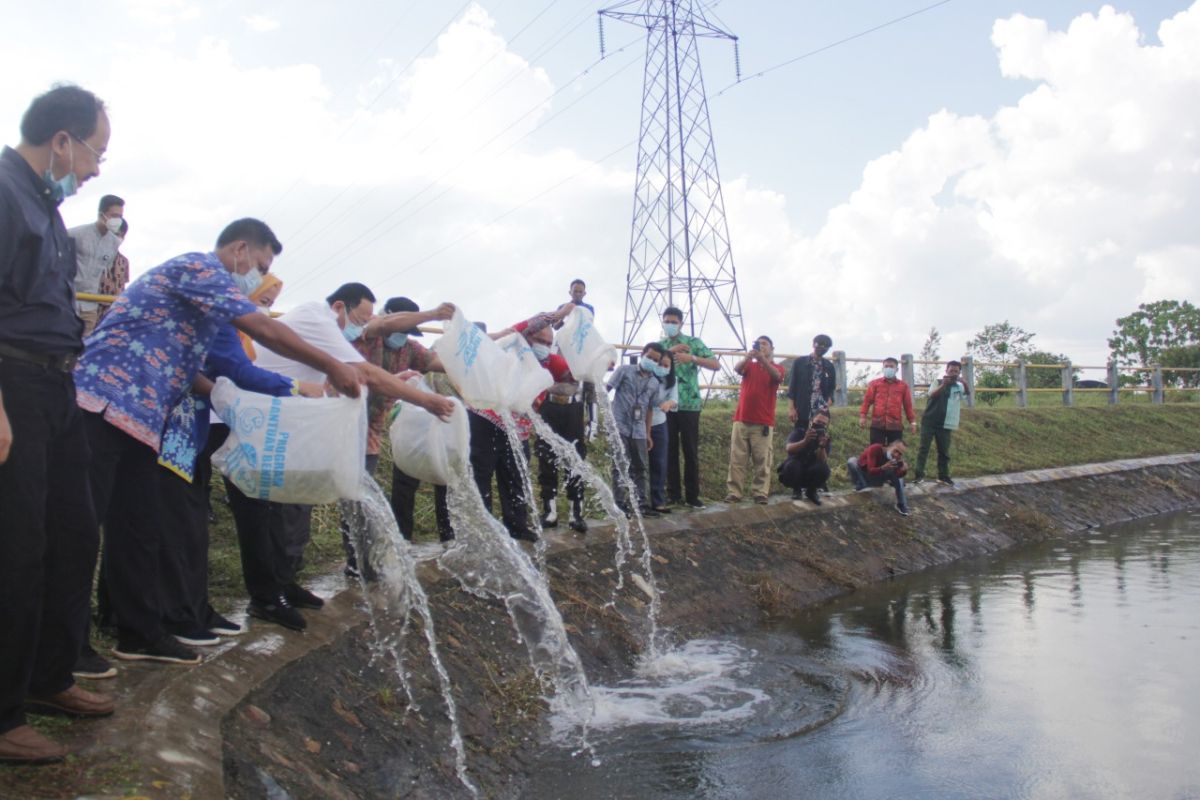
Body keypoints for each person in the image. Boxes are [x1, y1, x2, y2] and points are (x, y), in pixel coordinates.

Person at [74, 219, 363, 664]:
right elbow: (265, 332)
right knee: (78, 529)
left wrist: (230, 400)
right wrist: (333, 367)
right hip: (103, 401)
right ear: (241, 250)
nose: (260, 279)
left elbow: (198, 372)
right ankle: (62, 652)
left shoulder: (202, 313)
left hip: (144, 418)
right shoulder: (199, 268)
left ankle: (140, 633)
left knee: (138, 528)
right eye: (261, 266)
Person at [0, 84, 115, 765]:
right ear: (63, 141)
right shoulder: (4, 190)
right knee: (16, 547)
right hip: (11, 380)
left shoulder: (46, 207)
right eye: (97, 151)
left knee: (74, 532)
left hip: (55, 382)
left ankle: (48, 677)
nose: (98, 168)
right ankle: (3, 711)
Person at [241, 282, 454, 628]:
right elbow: (364, 373)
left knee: (294, 509)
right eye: (361, 318)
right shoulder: (317, 317)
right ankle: (267, 597)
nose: (363, 326)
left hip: (292, 427)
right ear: (339, 306)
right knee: (279, 513)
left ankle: (285, 583)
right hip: (268, 426)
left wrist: (391, 380)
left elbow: (340, 381)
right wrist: (428, 401)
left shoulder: (332, 331)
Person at [352, 296, 455, 576]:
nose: (403, 336)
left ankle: (360, 563)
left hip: (372, 432)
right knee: (351, 495)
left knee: (362, 498)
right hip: (343, 424)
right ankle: (360, 560)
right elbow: (384, 324)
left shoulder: (409, 350)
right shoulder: (366, 336)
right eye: (403, 327)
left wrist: (477, 370)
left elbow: (435, 361)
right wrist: (432, 313)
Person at [660, 307, 719, 509]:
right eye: (666, 321)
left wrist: (692, 358)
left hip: (690, 404)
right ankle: (673, 493)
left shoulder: (693, 343)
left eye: (673, 321)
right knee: (669, 450)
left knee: (690, 450)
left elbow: (715, 364)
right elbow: (649, 364)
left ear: (680, 323)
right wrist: (669, 353)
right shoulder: (660, 345)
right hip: (667, 405)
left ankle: (692, 496)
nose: (669, 324)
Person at [606, 343, 668, 517]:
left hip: (639, 429)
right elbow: (607, 390)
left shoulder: (655, 382)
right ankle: (619, 504)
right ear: (643, 354)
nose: (652, 361)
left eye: (656, 360)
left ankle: (641, 504)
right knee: (619, 465)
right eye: (650, 357)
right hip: (620, 425)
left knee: (641, 467)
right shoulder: (624, 370)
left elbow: (649, 408)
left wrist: (648, 433)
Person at [725, 335, 784, 505]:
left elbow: (776, 376)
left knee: (762, 459)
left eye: (765, 344)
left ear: (772, 349)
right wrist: (749, 357)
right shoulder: (749, 365)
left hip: (763, 422)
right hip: (741, 419)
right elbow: (737, 369)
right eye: (760, 344)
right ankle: (734, 492)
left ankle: (760, 492)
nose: (762, 346)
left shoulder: (777, 367)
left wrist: (763, 359)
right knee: (737, 458)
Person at [68, 194, 124, 335]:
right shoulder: (75, 234)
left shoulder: (114, 243)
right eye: (114, 215)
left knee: (83, 349)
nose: (117, 220)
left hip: (90, 305)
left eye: (120, 216)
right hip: (68, 300)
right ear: (102, 214)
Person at [913, 360, 969, 486]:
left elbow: (967, 395)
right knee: (924, 449)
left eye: (956, 371)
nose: (953, 373)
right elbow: (931, 394)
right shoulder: (937, 382)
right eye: (951, 370)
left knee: (944, 451)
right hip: (929, 421)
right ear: (946, 371)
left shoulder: (958, 386)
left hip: (946, 423)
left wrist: (964, 382)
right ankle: (919, 475)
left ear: (959, 372)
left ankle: (943, 476)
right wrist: (943, 385)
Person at [859, 357, 916, 446]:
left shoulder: (903, 386)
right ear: (883, 368)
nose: (888, 368)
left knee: (894, 454)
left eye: (891, 366)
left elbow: (908, 405)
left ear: (896, 369)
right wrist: (863, 416)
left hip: (895, 426)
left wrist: (912, 422)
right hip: (877, 425)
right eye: (886, 366)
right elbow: (867, 401)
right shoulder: (874, 384)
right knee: (876, 452)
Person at [778, 413, 832, 506]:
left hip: (811, 471)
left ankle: (812, 491)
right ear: (811, 421)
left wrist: (822, 446)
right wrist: (805, 441)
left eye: (823, 424)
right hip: (795, 468)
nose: (820, 425)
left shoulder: (825, 438)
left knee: (824, 469)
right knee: (792, 466)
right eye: (818, 421)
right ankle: (796, 489)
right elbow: (789, 448)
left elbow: (822, 460)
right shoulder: (799, 432)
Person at [647, 350, 678, 514]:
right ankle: (640, 501)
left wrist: (668, 404)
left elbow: (674, 399)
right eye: (660, 364)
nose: (662, 368)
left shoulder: (672, 381)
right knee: (640, 464)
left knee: (659, 463)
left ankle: (658, 501)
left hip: (659, 423)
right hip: (640, 423)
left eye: (666, 366)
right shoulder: (646, 377)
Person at [847, 439, 911, 516]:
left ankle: (901, 504)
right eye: (896, 451)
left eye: (900, 454)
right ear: (890, 446)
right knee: (852, 461)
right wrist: (883, 467)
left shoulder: (897, 460)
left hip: (878, 479)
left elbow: (898, 476)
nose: (897, 455)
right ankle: (860, 484)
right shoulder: (875, 448)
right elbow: (870, 470)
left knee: (900, 479)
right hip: (866, 474)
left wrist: (903, 470)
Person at [787, 334, 835, 432]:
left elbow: (831, 388)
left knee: (819, 441)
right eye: (820, 345)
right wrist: (791, 409)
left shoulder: (829, 366)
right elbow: (792, 387)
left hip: (821, 413)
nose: (823, 348)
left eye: (826, 346)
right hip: (802, 409)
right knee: (799, 440)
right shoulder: (799, 362)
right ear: (813, 344)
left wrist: (827, 403)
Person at [95, 217, 129, 322]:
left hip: (112, 313)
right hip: (91, 308)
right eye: (113, 234)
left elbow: (122, 287)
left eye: (119, 235)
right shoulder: (91, 256)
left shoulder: (123, 261)